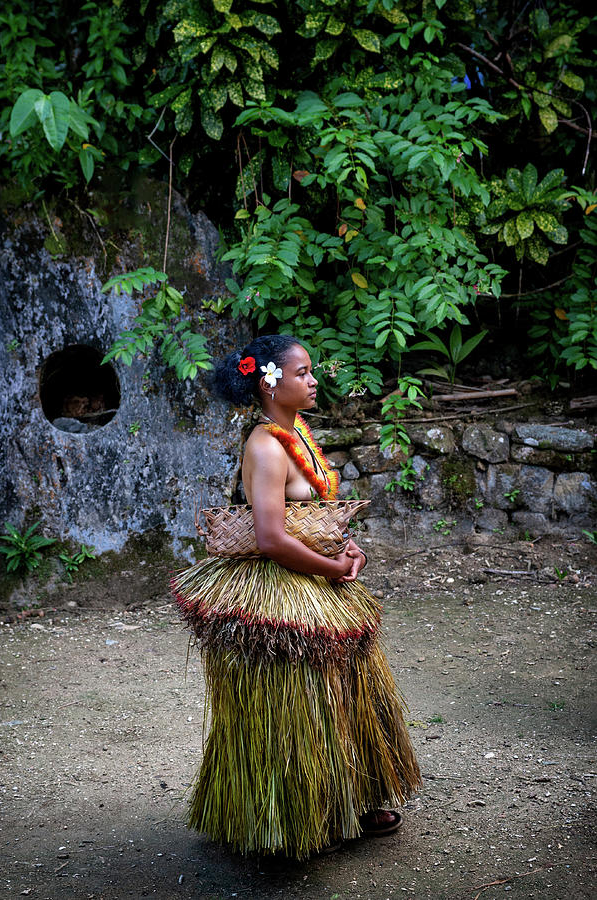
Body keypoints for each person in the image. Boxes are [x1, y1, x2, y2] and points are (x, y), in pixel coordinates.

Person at [171, 334, 421, 859]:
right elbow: (271, 537)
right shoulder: (264, 444)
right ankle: (294, 816)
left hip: (317, 579)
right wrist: (332, 566)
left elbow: (310, 515)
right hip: (279, 588)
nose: (312, 381)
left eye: (310, 372)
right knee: (297, 699)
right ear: (269, 381)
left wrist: (347, 549)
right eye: (302, 372)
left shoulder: (297, 432)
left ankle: (357, 792)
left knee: (351, 682)